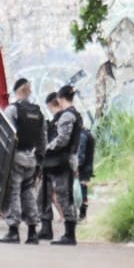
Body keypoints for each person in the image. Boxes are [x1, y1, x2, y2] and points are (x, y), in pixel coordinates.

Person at [0, 78, 46, 245]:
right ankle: (32, 232)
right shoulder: (39, 112)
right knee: (28, 193)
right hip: (31, 158)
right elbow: (43, 138)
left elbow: (5, 135)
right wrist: (39, 159)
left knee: (14, 192)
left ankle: (13, 230)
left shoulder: (13, 110)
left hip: (15, 157)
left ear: (16, 91)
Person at [43, 85, 83, 246]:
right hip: (68, 159)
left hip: (62, 161)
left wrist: (46, 148)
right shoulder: (76, 115)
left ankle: (69, 234)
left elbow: (62, 139)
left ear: (59, 99)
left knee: (64, 195)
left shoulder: (67, 116)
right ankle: (68, 233)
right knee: (64, 195)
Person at [37, 91, 60, 240]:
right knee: (43, 196)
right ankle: (46, 229)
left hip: (58, 163)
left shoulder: (63, 120)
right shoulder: (56, 121)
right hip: (51, 163)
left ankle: (68, 232)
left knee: (61, 197)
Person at [77, 125, 95, 220]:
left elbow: (81, 155)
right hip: (87, 167)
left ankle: (82, 215)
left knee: (82, 191)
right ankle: (82, 215)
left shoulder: (82, 136)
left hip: (83, 168)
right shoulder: (88, 134)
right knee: (83, 190)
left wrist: (76, 167)